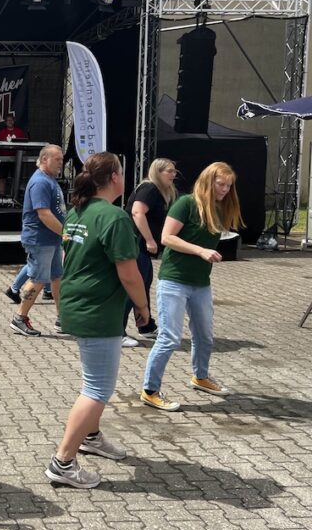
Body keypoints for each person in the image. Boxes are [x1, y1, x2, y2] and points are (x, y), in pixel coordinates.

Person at [44, 152, 149, 489]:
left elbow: (67, 255)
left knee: (95, 383)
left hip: (80, 304)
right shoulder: (114, 217)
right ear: (115, 177)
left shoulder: (80, 210)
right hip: (97, 311)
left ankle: (90, 437)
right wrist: (143, 310)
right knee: (97, 389)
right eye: (122, 170)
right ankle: (63, 462)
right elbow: (129, 274)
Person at [141, 162, 243, 412]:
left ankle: (200, 377)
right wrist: (201, 250)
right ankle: (150, 390)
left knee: (205, 336)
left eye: (229, 186)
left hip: (200, 283)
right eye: (221, 184)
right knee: (169, 338)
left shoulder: (219, 208)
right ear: (208, 181)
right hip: (174, 280)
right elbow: (167, 238)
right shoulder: (186, 203)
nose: (225, 190)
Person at [120, 158, 178, 348]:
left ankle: (145, 325)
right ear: (158, 172)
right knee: (133, 287)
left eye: (174, 171)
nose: (173, 174)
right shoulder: (149, 189)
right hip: (136, 245)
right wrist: (150, 239)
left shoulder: (158, 191)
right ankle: (117, 331)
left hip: (141, 248)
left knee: (143, 284)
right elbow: (137, 213)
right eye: (169, 171)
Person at [9, 145, 66, 337]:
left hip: (52, 239)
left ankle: (63, 318)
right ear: (44, 159)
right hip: (40, 240)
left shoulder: (49, 180)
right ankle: (19, 318)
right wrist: (65, 233)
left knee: (57, 277)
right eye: (57, 159)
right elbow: (43, 214)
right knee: (38, 279)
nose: (61, 163)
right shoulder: (40, 182)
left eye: (61, 159)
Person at [0, 115, 27, 195]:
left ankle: (14, 196)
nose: (10, 122)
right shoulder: (1, 133)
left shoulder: (19, 132)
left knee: (16, 178)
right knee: (2, 178)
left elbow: (24, 145)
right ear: (5, 122)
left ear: (14, 121)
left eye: (11, 120)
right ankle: (2, 195)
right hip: (4, 159)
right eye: (8, 120)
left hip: (16, 159)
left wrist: (23, 157)